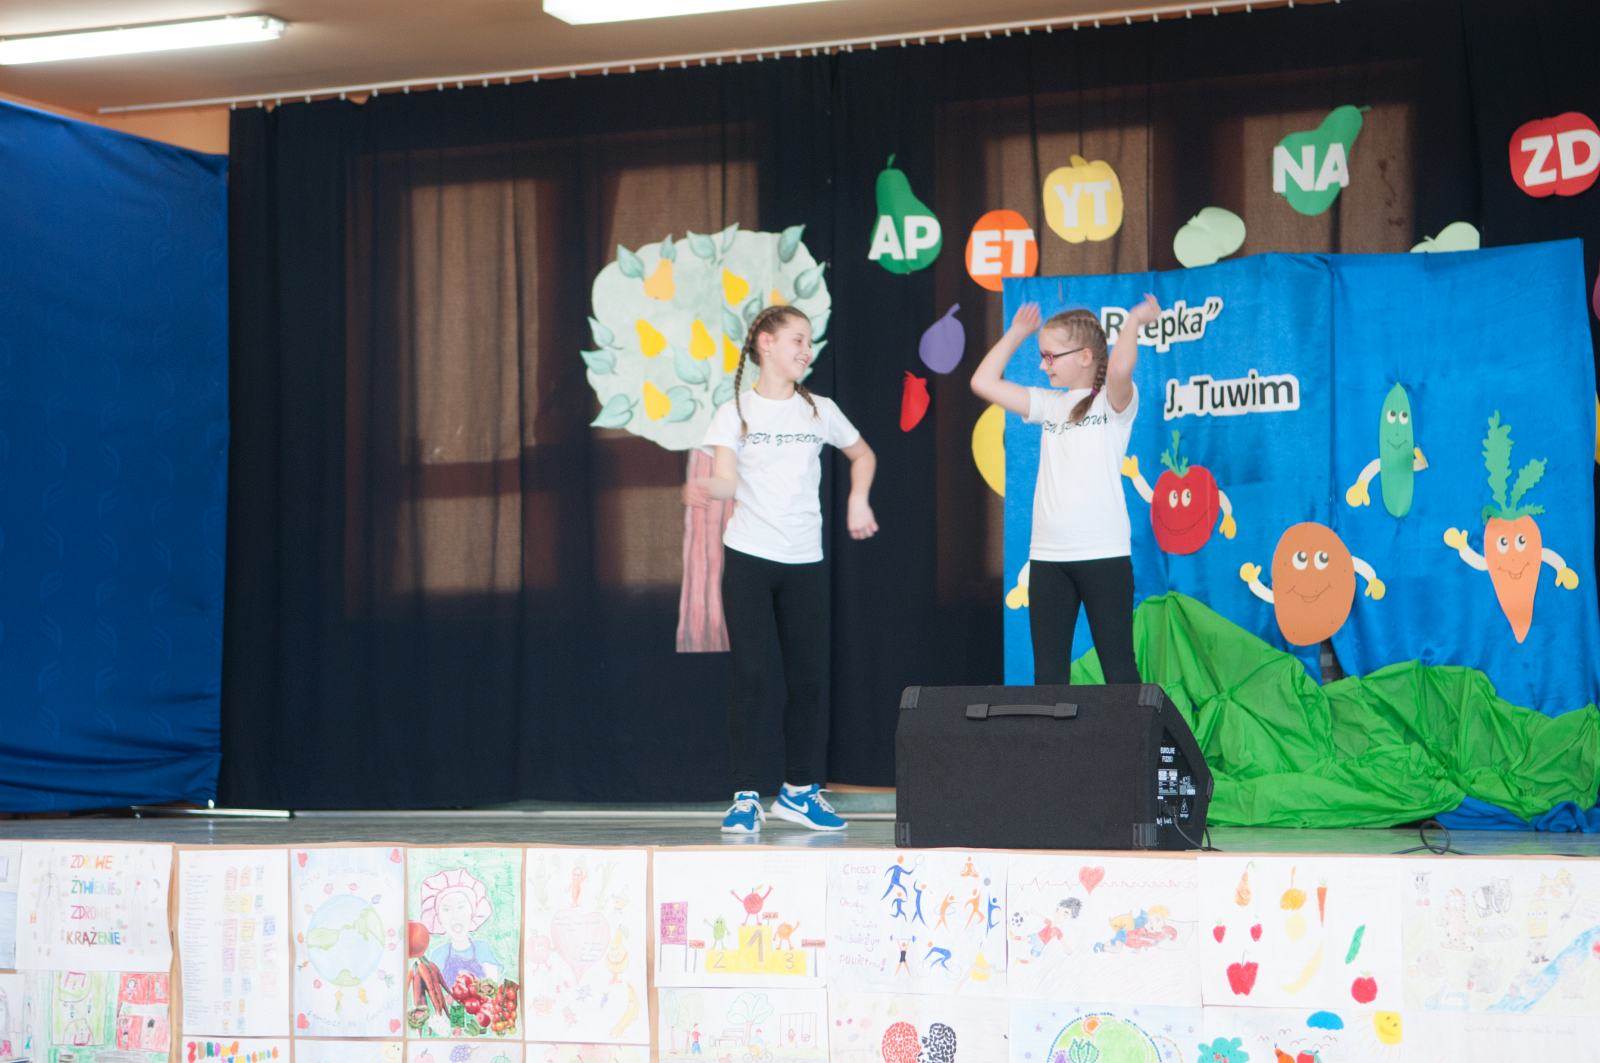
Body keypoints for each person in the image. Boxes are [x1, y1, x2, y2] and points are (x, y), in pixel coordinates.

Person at [688, 305, 878, 833]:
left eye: (809, 342)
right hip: (749, 558)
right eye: (797, 339)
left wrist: (857, 499)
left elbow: (863, 455)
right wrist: (706, 487)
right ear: (766, 344)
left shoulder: (820, 410)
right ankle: (746, 796)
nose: (806, 350)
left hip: (804, 562)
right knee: (751, 676)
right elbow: (726, 480)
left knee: (808, 680)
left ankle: (797, 792)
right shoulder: (735, 411)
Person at [970, 295, 1160, 684]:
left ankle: (1128, 730)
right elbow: (982, 382)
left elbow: (1120, 366)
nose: (1044, 365)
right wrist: (1016, 333)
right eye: (1042, 356)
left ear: (1086, 356)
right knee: (1048, 675)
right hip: (1048, 558)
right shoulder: (1049, 405)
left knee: (1119, 668)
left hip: (1104, 554)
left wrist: (1133, 321)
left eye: (1051, 356)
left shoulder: (1112, 405)